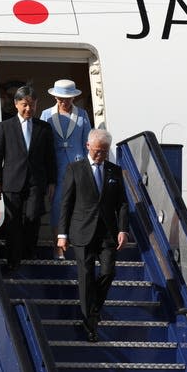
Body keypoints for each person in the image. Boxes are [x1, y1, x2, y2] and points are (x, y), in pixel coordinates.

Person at [57, 129, 129, 342]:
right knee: (86, 276)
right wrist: (62, 234)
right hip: (81, 232)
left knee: (108, 272)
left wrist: (123, 229)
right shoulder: (74, 169)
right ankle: (90, 324)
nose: (100, 155)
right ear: (88, 146)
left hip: (107, 232)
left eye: (104, 152)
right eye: (98, 151)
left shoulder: (114, 171)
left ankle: (93, 307)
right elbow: (66, 203)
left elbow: (122, 203)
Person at [0, 85, 56, 270]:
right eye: (25, 105)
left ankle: (29, 253)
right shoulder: (5, 126)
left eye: (32, 105)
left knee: (32, 217)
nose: (29, 109)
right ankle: (13, 260)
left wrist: (52, 181)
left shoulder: (44, 128)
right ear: (16, 104)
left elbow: (49, 157)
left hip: (36, 182)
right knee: (13, 222)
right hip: (12, 181)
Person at [40, 79, 91, 260]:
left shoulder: (82, 115)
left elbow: (88, 144)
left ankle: (77, 246)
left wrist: (89, 169)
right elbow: (42, 145)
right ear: (54, 96)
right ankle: (58, 248)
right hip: (56, 169)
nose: (64, 102)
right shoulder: (46, 115)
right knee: (57, 207)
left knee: (78, 207)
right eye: (61, 98)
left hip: (78, 167)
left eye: (68, 98)